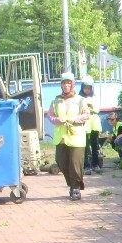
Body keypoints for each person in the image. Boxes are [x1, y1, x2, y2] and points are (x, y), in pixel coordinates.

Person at [46, 72, 89, 201]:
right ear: (61, 85)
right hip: (61, 137)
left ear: (73, 84)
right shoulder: (56, 100)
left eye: (68, 83)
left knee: (75, 163)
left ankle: (75, 188)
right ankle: (71, 183)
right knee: (61, 161)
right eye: (64, 83)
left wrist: (76, 119)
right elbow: (50, 115)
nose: (66, 85)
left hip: (76, 136)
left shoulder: (80, 100)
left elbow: (86, 114)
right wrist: (56, 120)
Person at [80, 76, 102, 175]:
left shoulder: (94, 97)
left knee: (95, 144)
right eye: (85, 88)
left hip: (94, 122)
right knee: (85, 144)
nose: (87, 90)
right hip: (85, 122)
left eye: (89, 88)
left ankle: (95, 164)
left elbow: (97, 109)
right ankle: (86, 165)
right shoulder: (79, 97)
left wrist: (92, 106)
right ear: (82, 87)